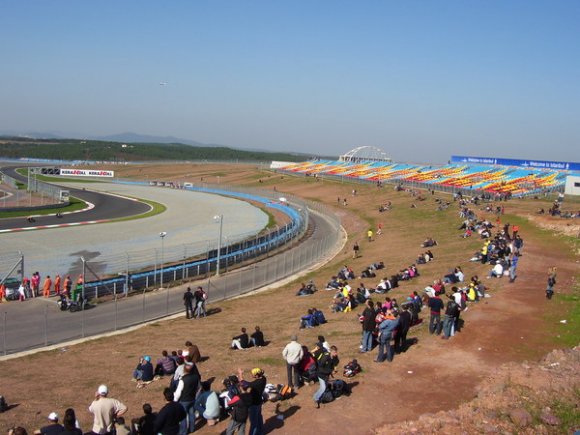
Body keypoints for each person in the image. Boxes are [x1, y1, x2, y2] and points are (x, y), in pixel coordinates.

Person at [237, 367, 266, 435]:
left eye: (253, 374)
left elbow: (243, 383)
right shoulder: (263, 378)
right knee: (259, 417)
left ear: (257, 375)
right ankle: (261, 432)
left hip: (254, 404)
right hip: (259, 402)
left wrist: (240, 374)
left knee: (254, 423)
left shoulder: (256, 383)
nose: (252, 375)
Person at [174, 362, 200, 435]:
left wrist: (175, 400)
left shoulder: (183, 380)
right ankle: (192, 429)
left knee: (183, 417)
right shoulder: (196, 377)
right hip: (192, 398)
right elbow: (198, 388)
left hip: (184, 400)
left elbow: (178, 392)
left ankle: (183, 432)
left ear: (184, 370)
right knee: (192, 414)